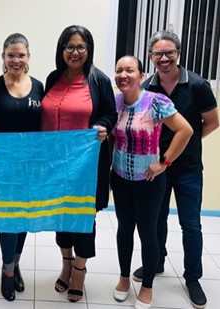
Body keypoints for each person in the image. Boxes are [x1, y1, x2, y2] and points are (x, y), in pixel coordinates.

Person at [131, 30, 219, 309]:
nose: (164, 58)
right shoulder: (147, 88)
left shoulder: (198, 85)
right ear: (151, 57)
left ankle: (192, 277)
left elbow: (212, 122)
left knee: (190, 224)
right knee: (156, 219)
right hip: (156, 167)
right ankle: (156, 262)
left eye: (169, 53)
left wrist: (186, 144)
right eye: (158, 54)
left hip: (189, 167)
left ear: (178, 54)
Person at [41, 25, 117, 302]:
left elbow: (111, 113)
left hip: (86, 165)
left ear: (89, 50)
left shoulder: (98, 80)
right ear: (61, 50)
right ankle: (66, 263)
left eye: (80, 47)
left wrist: (103, 126)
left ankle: (80, 270)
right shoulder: (52, 78)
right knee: (61, 215)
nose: (74, 52)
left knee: (84, 218)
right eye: (69, 47)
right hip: (55, 165)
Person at [111, 55, 193, 309]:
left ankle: (147, 286)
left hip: (149, 181)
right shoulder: (113, 103)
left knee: (148, 232)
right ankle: (124, 278)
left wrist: (164, 163)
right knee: (125, 228)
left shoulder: (156, 102)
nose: (123, 75)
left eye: (130, 70)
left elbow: (185, 130)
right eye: (119, 70)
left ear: (142, 74)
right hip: (121, 178)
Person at [0, 33, 43, 301]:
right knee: (8, 218)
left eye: (21, 55)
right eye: (11, 55)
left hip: (31, 167)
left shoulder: (39, 86)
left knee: (24, 217)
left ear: (28, 57)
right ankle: (7, 272)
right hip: (4, 166)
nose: (16, 60)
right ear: (3, 57)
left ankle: (15, 262)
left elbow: (45, 128)